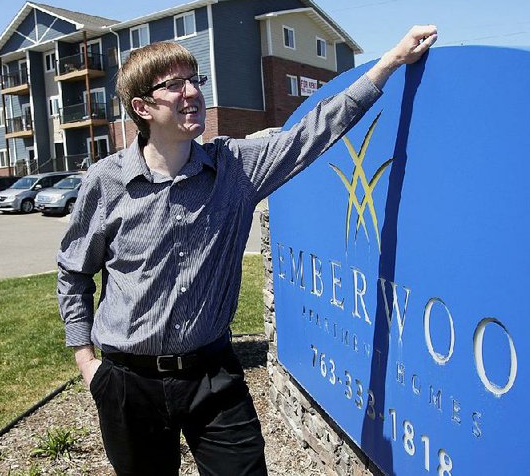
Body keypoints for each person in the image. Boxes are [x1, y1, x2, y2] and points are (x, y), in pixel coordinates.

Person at [57, 25, 437, 475]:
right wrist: (88, 364)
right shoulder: (106, 182)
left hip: (212, 376)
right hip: (128, 381)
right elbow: (74, 273)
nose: (191, 92)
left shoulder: (235, 169)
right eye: (174, 84)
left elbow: (317, 129)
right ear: (142, 107)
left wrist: (390, 61)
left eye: (194, 79)